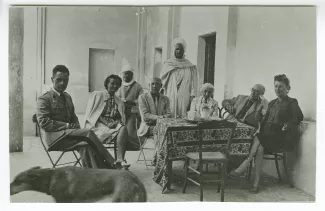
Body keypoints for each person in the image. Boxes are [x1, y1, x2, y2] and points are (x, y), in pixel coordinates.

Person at [229, 74, 304, 193]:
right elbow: (263, 120)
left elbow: (299, 116)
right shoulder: (272, 103)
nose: (277, 89)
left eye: (281, 87)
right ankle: (256, 184)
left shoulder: (292, 102)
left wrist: (288, 124)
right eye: (275, 86)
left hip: (280, 138)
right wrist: (259, 122)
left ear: (287, 88)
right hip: (266, 137)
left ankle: (246, 163)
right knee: (259, 148)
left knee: (259, 139)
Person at [37, 65, 116, 169]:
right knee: (88, 132)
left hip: (68, 136)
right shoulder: (44, 99)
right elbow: (43, 122)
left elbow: (73, 116)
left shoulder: (67, 97)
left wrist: (77, 127)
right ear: (52, 79)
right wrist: (67, 125)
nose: (62, 83)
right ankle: (113, 162)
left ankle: (101, 171)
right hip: (54, 139)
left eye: (65, 80)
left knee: (86, 146)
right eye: (59, 80)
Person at [84, 74, 130, 169]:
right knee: (117, 129)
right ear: (107, 84)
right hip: (97, 124)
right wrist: (107, 123)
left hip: (112, 125)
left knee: (123, 128)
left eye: (117, 84)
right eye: (112, 83)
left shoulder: (119, 101)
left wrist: (117, 122)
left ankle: (120, 160)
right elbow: (93, 113)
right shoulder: (98, 95)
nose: (115, 86)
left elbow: (119, 117)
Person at [160, 37, 198, 118]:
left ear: (184, 51)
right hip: (171, 94)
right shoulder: (168, 64)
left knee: (183, 116)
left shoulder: (189, 66)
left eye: (181, 49)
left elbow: (193, 84)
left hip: (184, 95)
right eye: (177, 49)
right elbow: (162, 82)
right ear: (174, 50)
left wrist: (192, 97)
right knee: (170, 114)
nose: (179, 51)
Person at [138, 77, 172, 165]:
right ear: (149, 85)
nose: (154, 86)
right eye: (152, 84)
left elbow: (169, 114)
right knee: (161, 132)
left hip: (161, 125)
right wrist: (161, 118)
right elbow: (145, 116)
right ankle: (158, 159)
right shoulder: (142, 97)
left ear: (161, 86)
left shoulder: (165, 99)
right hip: (147, 126)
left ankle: (164, 158)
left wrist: (158, 119)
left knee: (168, 132)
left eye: (157, 84)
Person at [116, 58, 144, 150]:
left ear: (132, 74)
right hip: (121, 110)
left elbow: (141, 99)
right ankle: (120, 143)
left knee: (131, 127)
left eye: (128, 73)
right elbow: (116, 97)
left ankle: (133, 145)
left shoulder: (138, 86)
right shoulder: (119, 85)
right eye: (124, 73)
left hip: (133, 111)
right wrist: (120, 101)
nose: (126, 75)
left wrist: (131, 102)